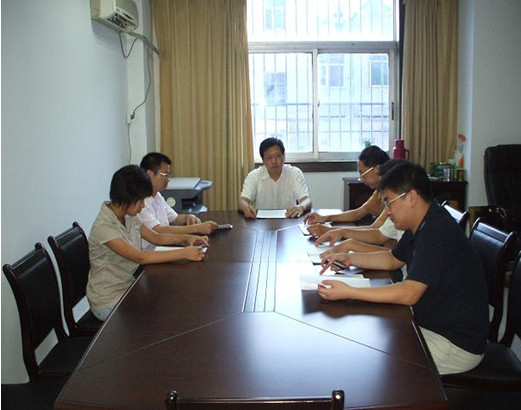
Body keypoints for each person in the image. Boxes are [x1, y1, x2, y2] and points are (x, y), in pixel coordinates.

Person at [318, 162, 489, 375]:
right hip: (433, 324)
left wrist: (350, 292)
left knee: (374, 357)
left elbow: (409, 293)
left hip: (455, 343)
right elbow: (392, 259)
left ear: (411, 197)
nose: (387, 212)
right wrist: (349, 258)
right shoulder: (422, 222)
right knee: (373, 334)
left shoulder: (435, 231)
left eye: (389, 202)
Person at [87, 165, 208, 321]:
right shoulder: (104, 227)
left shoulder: (129, 215)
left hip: (128, 288)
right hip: (108, 302)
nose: (143, 205)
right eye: (140, 200)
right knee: (164, 314)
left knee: (169, 303)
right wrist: (184, 253)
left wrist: (187, 238)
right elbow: (140, 257)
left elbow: (156, 238)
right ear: (127, 197)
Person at [305, 145, 390, 238]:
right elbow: (357, 214)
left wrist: (328, 230)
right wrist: (325, 218)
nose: (361, 179)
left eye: (362, 173)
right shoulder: (379, 191)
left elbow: (375, 230)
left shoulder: (392, 194)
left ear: (377, 169)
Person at [139, 152, 218, 250]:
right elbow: (158, 231)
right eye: (165, 175)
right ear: (150, 174)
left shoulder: (157, 196)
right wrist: (198, 228)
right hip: (151, 251)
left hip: (165, 246)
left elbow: (175, 218)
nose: (168, 180)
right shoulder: (139, 202)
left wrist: (188, 217)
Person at [238, 137, 312, 219]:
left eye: (278, 156)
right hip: (261, 222)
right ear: (263, 160)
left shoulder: (295, 173)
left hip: (289, 219)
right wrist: (246, 208)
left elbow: (306, 200)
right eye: (269, 157)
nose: (274, 161)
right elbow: (242, 201)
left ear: (284, 156)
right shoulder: (254, 176)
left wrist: (301, 207)